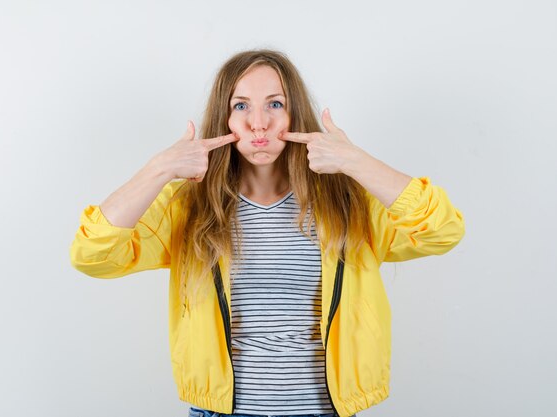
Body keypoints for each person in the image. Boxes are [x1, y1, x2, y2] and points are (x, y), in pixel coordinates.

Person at [69, 49, 465, 417]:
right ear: (223, 118)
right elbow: (93, 254)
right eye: (241, 106)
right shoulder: (189, 207)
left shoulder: (347, 201)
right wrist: (158, 169)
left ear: (296, 115)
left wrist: (355, 161)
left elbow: (442, 229)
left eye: (275, 104)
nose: (259, 123)